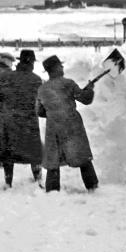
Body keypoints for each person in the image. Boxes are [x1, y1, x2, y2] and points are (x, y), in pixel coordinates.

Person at [37, 54, 98, 193]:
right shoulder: (68, 84)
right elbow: (85, 98)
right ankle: (92, 186)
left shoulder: (42, 89)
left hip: (53, 128)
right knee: (82, 157)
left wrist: (53, 112)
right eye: (60, 65)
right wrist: (89, 88)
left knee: (53, 160)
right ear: (56, 68)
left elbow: (39, 111)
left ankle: (52, 190)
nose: (62, 67)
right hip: (72, 125)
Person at [0, 49, 43, 189]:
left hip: (9, 119)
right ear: (31, 62)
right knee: (34, 151)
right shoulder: (36, 80)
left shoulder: (6, 76)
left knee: (8, 152)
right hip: (29, 121)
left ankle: (8, 182)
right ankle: (38, 178)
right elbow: (43, 100)